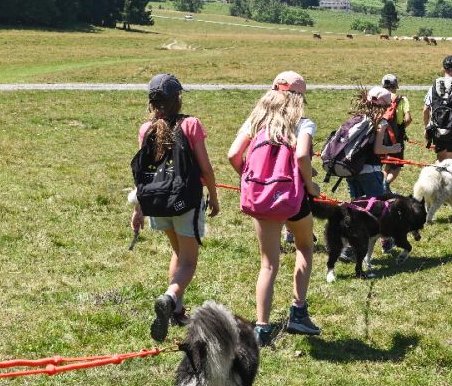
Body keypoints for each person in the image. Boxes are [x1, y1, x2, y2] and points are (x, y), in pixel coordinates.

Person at [227, 71, 322, 343]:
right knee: (304, 246)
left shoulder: (255, 122)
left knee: (268, 264)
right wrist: (310, 184)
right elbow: (302, 155)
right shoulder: (302, 123)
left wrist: (250, 178)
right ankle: (298, 313)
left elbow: (233, 154)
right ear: (299, 97)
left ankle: (262, 327)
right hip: (293, 198)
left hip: (262, 198)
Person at [131, 73, 219, 341]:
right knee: (189, 261)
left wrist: (138, 209)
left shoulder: (146, 129)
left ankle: (177, 309)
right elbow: (205, 167)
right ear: (178, 98)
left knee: (178, 252)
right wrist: (213, 196)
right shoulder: (190, 124)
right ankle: (170, 297)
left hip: (157, 202)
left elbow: (142, 172)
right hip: (185, 201)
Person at [346, 85, 402, 200]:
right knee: (377, 205)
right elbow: (378, 149)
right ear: (385, 106)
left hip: (352, 168)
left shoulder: (359, 118)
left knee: (356, 205)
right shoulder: (380, 122)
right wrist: (394, 149)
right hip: (369, 170)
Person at [378, 73, 412, 187]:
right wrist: (400, 129)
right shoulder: (402, 100)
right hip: (395, 138)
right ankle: (385, 185)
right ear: (395, 85)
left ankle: (382, 185)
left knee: (387, 163)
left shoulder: (380, 97)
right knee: (397, 165)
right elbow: (408, 118)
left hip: (381, 136)